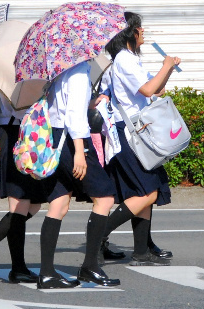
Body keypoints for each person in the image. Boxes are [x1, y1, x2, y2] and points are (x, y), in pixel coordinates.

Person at [99, 11, 180, 266]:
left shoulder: (128, 58)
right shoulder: (124, 59)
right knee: (147, 193)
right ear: (129, 33)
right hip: (131, 133)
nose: (143, 31)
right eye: (139, 28)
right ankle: (98, 234)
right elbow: (147, 89)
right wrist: (165, 66)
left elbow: (156, 89)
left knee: (146, 191)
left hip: (138, 130)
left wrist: (166, 71)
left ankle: (141, 251)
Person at [36, 60, 120, 289]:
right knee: (104, 197)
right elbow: (73, 115)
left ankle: (46, 273)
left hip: (55, 136)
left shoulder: (60, 68)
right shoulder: (80, 71)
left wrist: (91, 102)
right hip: (72, 140)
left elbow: (61, 106)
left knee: (59, 202)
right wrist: (81, 152)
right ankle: (90, 267)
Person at [0, 95, 46, 283]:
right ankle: (17, 267)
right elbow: (20, 107)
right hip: (15, 135)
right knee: (20, 203)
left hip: (25, 135)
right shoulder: (13, 76)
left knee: (33, 204)